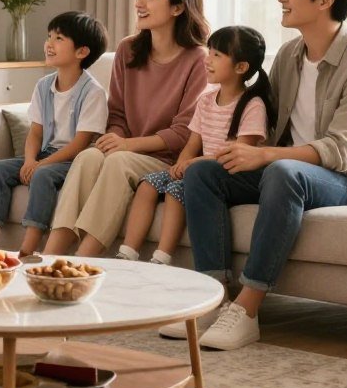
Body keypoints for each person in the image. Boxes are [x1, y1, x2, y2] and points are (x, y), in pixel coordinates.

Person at [175, 0, 347, 350]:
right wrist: (238, 153)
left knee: (281, 171)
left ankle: (249, 308)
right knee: (202, 172)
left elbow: (340, 151)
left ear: (325, 0)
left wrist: (264, 157)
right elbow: (269, 128)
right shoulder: (289, 55)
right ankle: (213, 296)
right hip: (288, 173)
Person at [43, 0, 210, 257]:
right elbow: (117, 113)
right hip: (126, 148)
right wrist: (115, 139)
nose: (139, 3)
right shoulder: (128, 49)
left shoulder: (198, 59)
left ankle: (81, 264)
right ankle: (51, 258)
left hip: (165, 159)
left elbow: (183, 132)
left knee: (118, 162)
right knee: (88, 156)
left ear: (177, 7)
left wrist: (127, 145)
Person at [118, 26, 275, 266]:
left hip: (227, 176)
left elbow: (240, 156)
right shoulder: (206, 99)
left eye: (217, 56)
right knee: (148, 184)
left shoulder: (252, 105)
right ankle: (127, 253)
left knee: (175, 191)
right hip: (197, 167)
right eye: (209, 52)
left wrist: (193, 164)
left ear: (241, 67)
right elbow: (193, 143)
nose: (207, 60)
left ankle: (162, 257)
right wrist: (181, 164)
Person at [0, 11, 109, 261]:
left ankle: (27, 250)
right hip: (45, 154)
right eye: (49, 36)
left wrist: (40, 165)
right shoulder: (43, 85)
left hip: (74, 161)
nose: (49, 43)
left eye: (59, 38)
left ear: (82, 52)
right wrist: (29, 161)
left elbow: (81, 144)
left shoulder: (93, 93)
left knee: (43, 176)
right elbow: (35, 132)